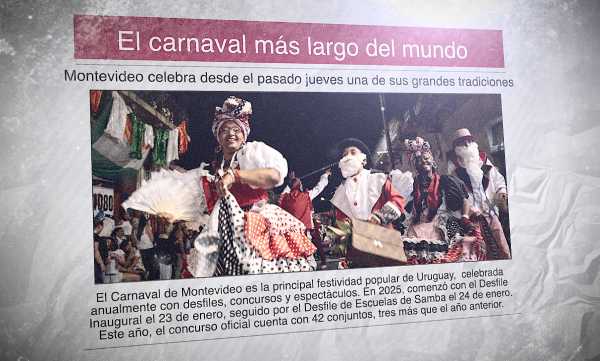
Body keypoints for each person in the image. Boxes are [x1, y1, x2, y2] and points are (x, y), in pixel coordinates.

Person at [187, 96, 317, 276]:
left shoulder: (250, 152)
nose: (231, 133)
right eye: (224, 129)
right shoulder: (214, 167)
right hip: (224, 227)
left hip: (255, 222)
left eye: (236, 129)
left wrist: (236, 175)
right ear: (217, 136)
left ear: (244, 134)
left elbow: (274, 176)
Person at [404, 137, 484, 264]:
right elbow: (411, 208)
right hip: (419, 226)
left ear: (433, 161)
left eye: (426, 157)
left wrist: (464, 216)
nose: (423, 161)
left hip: (442, 224)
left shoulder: (446, 181)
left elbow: (464, 198)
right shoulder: (416, 186)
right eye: (419, 159)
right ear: (416, 165)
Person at [447, 128, 511, 259]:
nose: (466, 145)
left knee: (503, 249)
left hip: (491, 213)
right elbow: (454, 195)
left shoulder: (483, 160)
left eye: (469, 141)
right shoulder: (453, 169)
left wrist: (501, 193)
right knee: (483, 253)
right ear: (456, 147)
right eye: (462, 142)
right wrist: (466, 214)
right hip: (472, 220)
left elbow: (498, 180)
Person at [330, 138, 405, 226]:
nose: (348, 157)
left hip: (382, 235)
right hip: (356, 238)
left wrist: (380, 217)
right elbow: (340, 220)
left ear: (364, 160)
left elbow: (397, 200)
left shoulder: (378, 179)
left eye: (353, 152)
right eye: (345, 155)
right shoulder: (340, 192)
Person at [279, 169, 331, 268]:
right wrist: (325, 175)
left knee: (295, 252)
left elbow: (283, 193)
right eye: (301, 184)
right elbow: (319, 187)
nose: (302, 185)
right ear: (299, 186)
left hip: (291, 232)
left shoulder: (285, 198)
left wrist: (291, 181)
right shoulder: (306, 196)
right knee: (308, 250)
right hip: (305, 230)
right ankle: (311, 268)